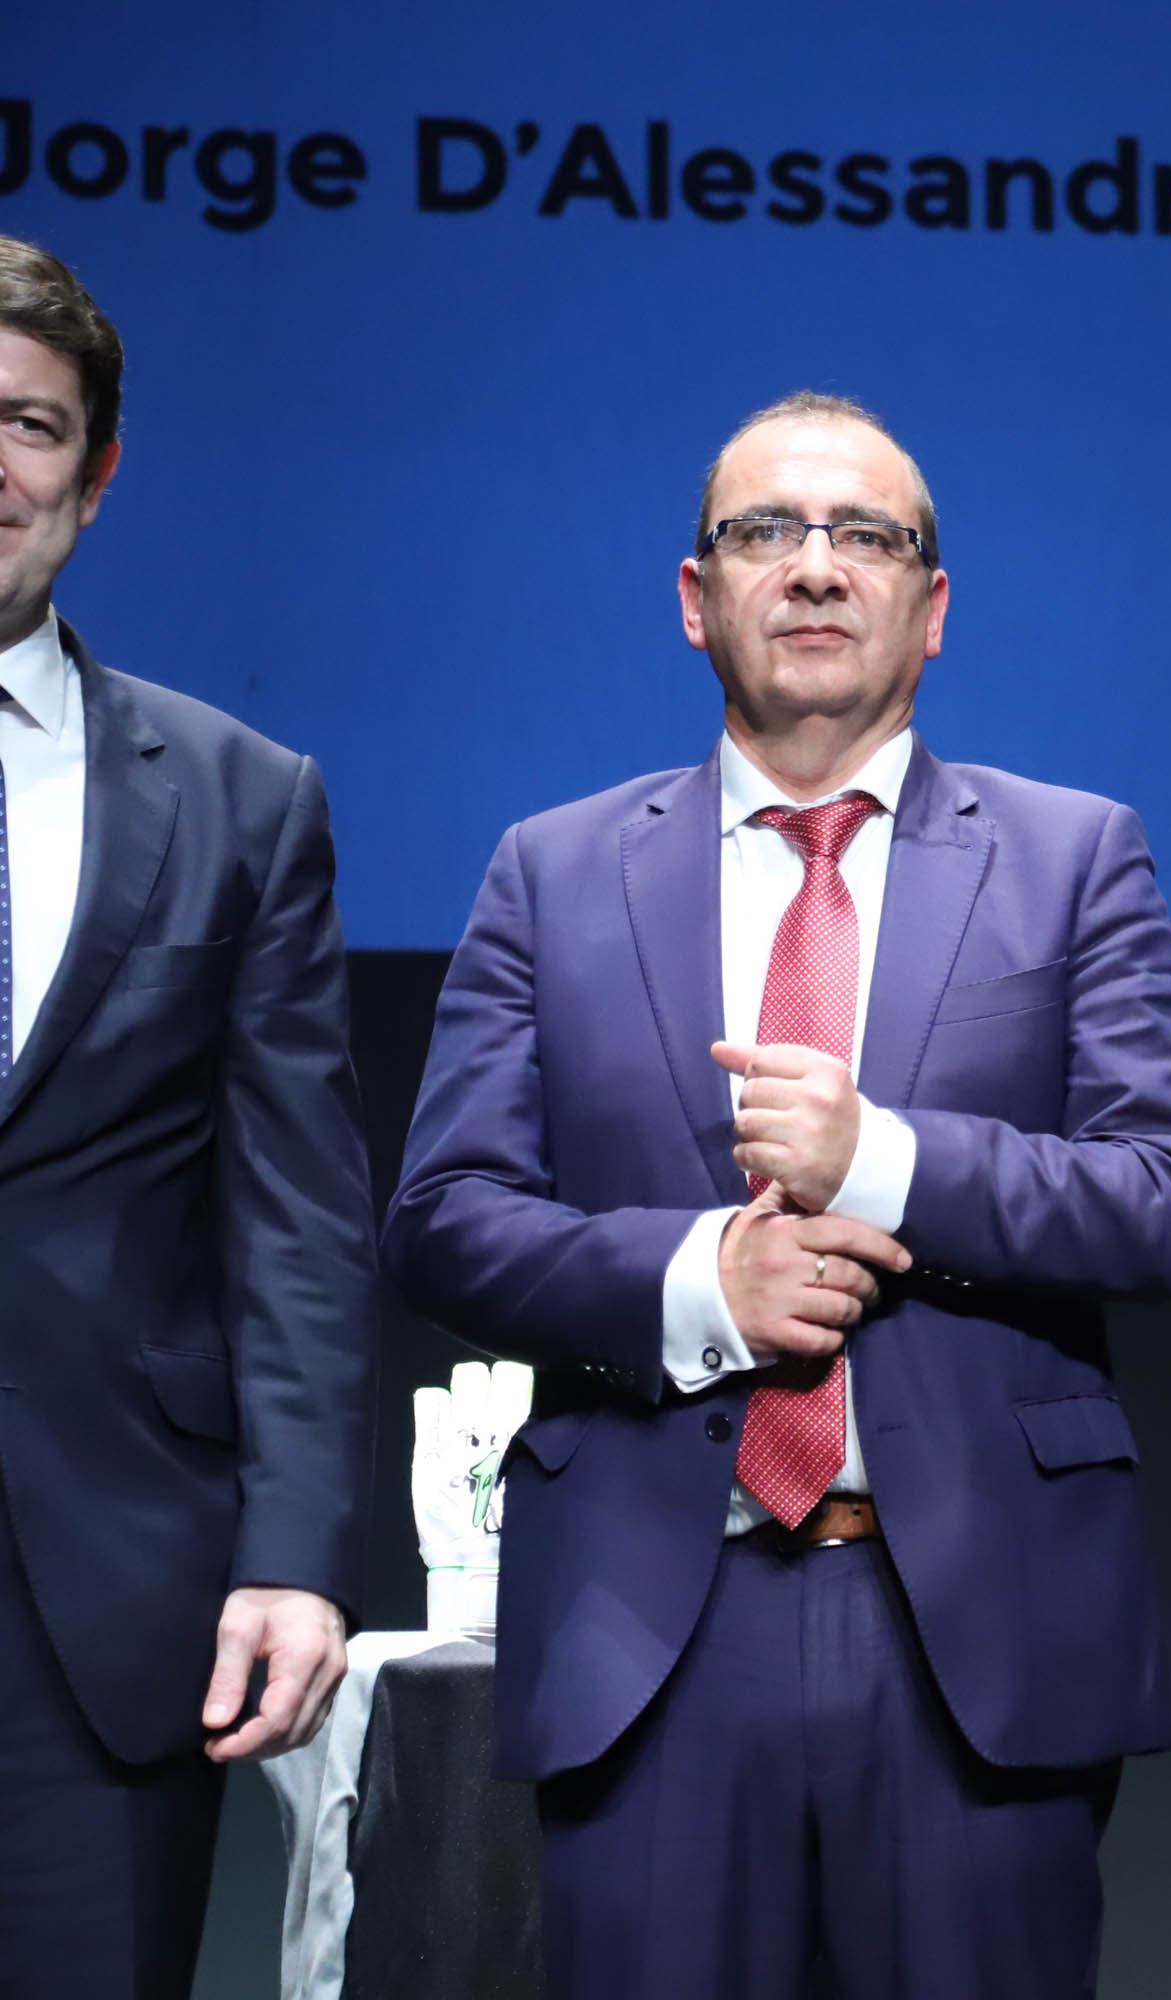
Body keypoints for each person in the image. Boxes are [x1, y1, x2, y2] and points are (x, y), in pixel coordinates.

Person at [382, 392, 1171, 1996]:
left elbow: (1162, 1199)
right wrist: (701, 1282)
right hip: (654, 1625)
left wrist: (879, 1160)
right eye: (769, 531)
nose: (819, 568)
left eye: (869, 537)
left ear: (933, 605)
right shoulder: (550, 873)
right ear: (696, 598)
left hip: (972, 1626)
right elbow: (446, 1217)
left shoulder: (1073, 855)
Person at [0, 234, 375, 1996]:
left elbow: (297, 1216)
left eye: (28, 423)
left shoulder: (238, 797)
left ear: (97, 472)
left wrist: (295, 1553)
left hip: (101, 1601)